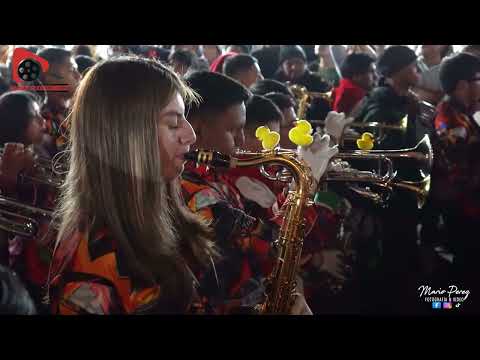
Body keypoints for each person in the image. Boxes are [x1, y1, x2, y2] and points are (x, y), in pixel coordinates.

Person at [48, 57, 219, 314]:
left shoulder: (173, 204)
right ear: (129, 138)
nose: (191, 135)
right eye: (173, 123)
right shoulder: (90, 272)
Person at [183, 71, 312, 314]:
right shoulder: (198, 195)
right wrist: (307, 185)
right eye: (234, 130)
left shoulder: (216, 177)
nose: (241, 140)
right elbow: (270, 247)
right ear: (197, 131)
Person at [431, 53, 480, 312]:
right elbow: (459, 175)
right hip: (462, 209)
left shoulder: (461, 112)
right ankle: (445, 306)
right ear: (463, 85)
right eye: (479, 79)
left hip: (466, 206)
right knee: (463, 272)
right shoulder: (451, 123)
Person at [355, 45, 421, 149]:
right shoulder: (381, 102)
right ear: (399, 69)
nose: (419, 70)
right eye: (414, 65)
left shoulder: (402, 98)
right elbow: (385, 147)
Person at [36, 47, 81, 157]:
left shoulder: (73, 111)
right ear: (49, 79)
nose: (79, 76)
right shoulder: (40, 121)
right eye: (71, 70)